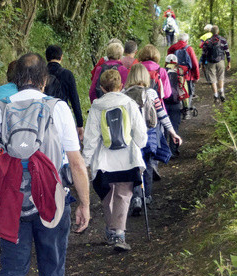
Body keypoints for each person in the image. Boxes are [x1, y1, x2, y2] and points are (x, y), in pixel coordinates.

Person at [0, 53, 91, 276]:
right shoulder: (58, 108)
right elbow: (76, 163)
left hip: (10, 199)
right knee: (52, 270)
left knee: (11, 272)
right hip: (52, 199)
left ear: (16, 79)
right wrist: (85, 203)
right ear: (44, 79)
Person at [83, 69, 147, 252]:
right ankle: (118, 232)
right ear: (121, 86)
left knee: (107, 194)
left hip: (103, 162)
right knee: (123, 195)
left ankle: (112, 230)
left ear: (102, 88)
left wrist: (85, 161)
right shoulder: (130, 104)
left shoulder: (96, 107)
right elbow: (141, 137)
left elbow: (91, 138)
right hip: (127, 159)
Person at [122, 64, 182, 214]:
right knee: (147, 164)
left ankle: (136, 197)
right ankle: (146, 196)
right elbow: (162, 114)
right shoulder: (151, 94)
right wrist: (173, 133)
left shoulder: (123, 94)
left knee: (134, 165)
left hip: (130, 137)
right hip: (149, 135)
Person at [46, 45, 84, 142]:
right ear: (61, 57)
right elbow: (74, 99)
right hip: (62, 113)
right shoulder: (67, 74)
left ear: (47, 57)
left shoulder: (40, 73)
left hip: (44, 114)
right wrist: (79, 124)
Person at [167, 33, 200, 116]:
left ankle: (177, 110)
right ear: (186, 40)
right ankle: (186, 111)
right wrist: (196, 76)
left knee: (176, 92)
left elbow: (168, 62)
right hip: (187, 76)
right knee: (188, 93)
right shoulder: (189, 49)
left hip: (174, 75)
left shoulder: (172, 48)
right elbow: (195, 64)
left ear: (178, 40)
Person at [163, 55, 186, 157]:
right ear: (176, 62)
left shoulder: (162, 71)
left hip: (164, 103)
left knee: (163, 127)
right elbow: (184, 88)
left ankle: (163, 151)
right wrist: (186, 105)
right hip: (176, 103)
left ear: (166, 62)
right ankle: (173, 150)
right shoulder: (179, 72)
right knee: (174, 126)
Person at [202, 25, 231, 102]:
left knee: (212, 78)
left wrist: (202, 63)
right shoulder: (223, 40)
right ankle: (222, 93)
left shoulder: (207, 41)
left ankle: (216, 95)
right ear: (218, 31)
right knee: (221, 76)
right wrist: (229, 62)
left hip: (210, 62)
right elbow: (227, 52)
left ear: (211, 32)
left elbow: (204, 53)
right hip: (220, 61)